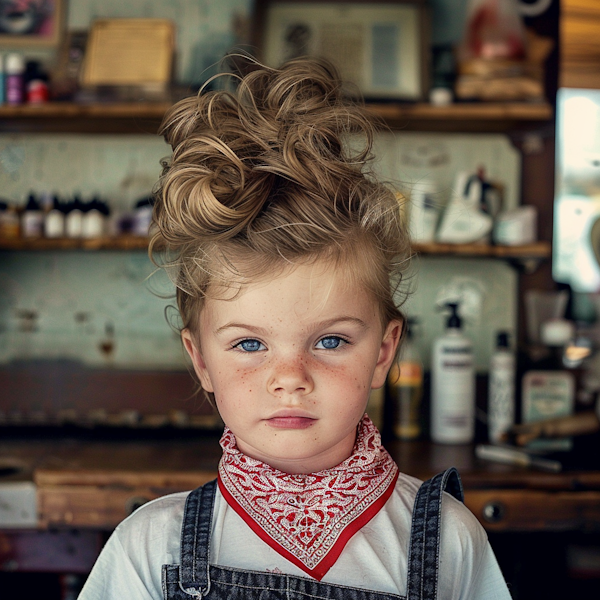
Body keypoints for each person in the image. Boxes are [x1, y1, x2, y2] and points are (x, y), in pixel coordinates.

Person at [78, 57, 511, 600]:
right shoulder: (148, 548)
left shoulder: (449, 540)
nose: (290, 377)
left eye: (330, 340)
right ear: (201, 360)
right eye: (249, 344)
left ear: (383, 352)